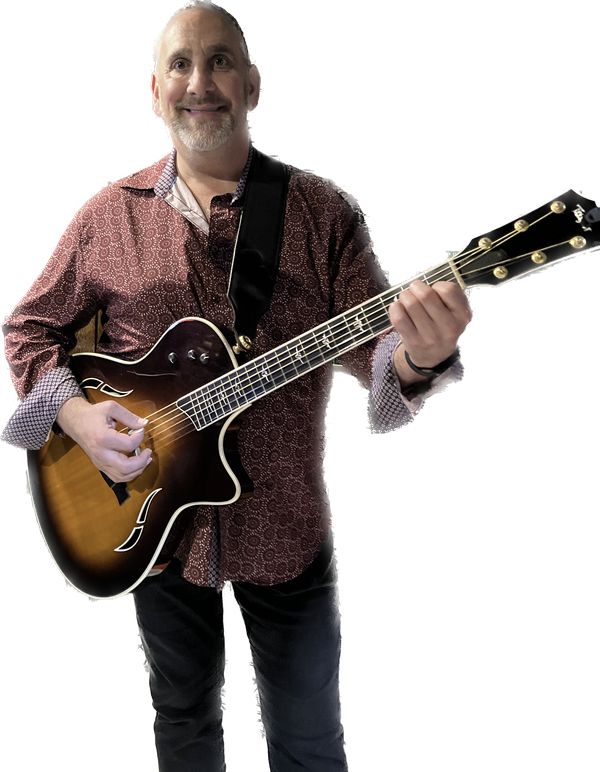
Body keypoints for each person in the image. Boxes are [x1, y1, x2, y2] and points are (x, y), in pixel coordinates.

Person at [0, 2, 473, 770]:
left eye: (220, 61)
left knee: (310, 740)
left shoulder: (322, 211)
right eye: (180, 65)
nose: (200, 83)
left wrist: (420, 358)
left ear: (254, 86)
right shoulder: (105, 217)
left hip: (287, 528)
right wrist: (80, 420)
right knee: (184, 730)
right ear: (154, 93)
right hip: (151, 527)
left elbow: (379, 359)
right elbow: (27, 329)